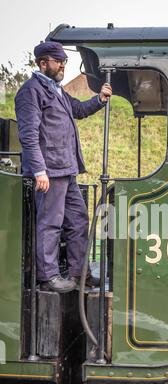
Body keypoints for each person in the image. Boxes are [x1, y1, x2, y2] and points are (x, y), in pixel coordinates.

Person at [15, 41, 112, 293]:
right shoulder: (31, 92)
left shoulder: (56, 90)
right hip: (50, 171)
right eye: (58, 62)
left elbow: (78, 109)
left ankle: (80, 274)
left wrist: (99, 99)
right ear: (43, 63)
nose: (62, 67)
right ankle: (48, 276)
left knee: (78, 220)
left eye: (64, 62)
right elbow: (28, 135)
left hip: (66, 170)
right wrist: (39, 171)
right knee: (50, 223)